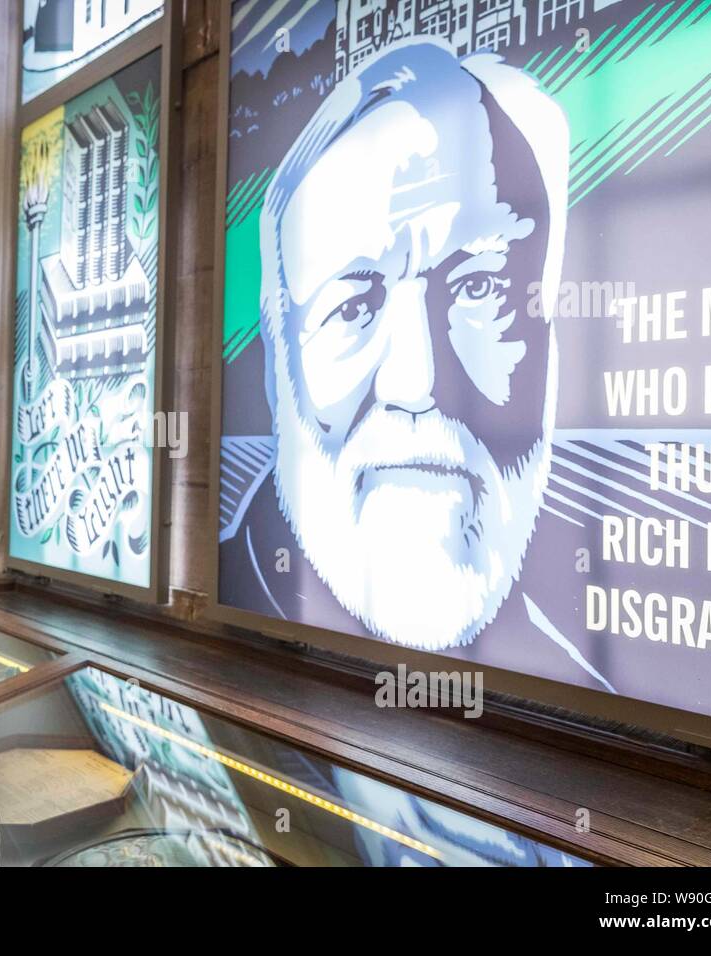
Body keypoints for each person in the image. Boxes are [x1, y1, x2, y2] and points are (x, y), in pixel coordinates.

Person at [222, 39, 576, 658]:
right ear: (277, 364)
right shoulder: (230, 638)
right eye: (353, 306)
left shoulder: (572, 675)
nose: (416, 381)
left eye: (479, 287)